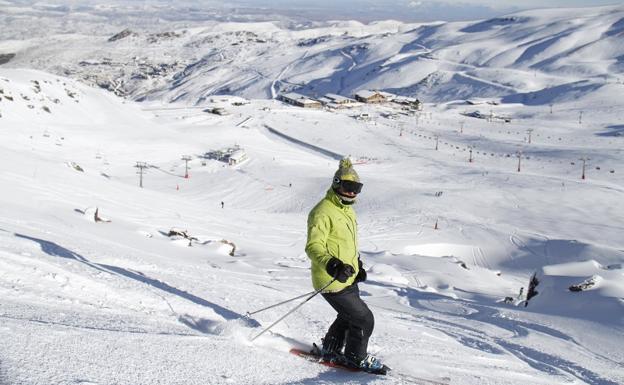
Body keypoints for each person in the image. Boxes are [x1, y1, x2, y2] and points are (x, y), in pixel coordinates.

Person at [305, 158, 384, 372]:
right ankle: (355, 357)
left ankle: (331, 347)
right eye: (348, 187)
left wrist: (356, 266)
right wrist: (333, 265)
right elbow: (313, 246)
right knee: (364, 319)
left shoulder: (347, 209)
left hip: (346, 276)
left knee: (348, 315)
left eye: (357, 188)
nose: (352, 193)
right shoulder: (322, 211)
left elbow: (345, 243)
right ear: (337, 183)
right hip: (330, 278)